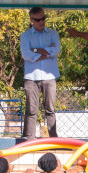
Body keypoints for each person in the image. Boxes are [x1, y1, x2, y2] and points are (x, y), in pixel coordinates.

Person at [20, 7, 60, 140]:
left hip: (50, 76)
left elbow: (56, 50)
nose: (41, 21)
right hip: (32, 77)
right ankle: (28, 139)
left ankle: (53, 139)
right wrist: (45, 52)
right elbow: (26, 54)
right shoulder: (25, 36)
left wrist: (35, 50)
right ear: (31, 20)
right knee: (31, 110)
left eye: (43, 18)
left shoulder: (53, 33)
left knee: (50, 109)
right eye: (38, 20)